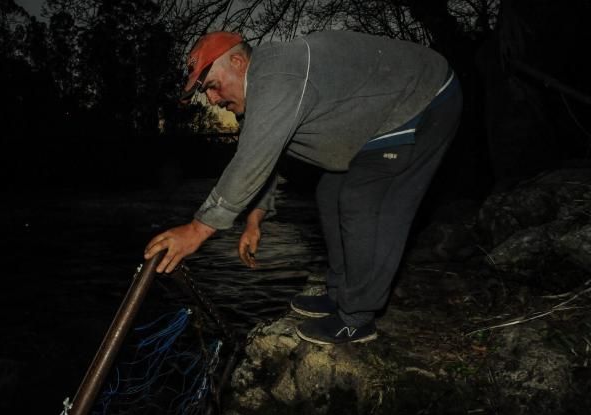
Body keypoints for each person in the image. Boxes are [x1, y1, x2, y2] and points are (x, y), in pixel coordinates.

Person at [144, 30, 462, 345]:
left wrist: (199, 229)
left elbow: (250, 160)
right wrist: (254, 221)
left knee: (361, 198)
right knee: (329, 192)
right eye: (205, 93)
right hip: (372, 124)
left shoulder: (276, 75)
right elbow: (268, 157)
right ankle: (339, 294)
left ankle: (357, 318)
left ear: (239, 62)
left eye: (212, 86)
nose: (212, 100)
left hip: (423, 98)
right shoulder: (262, 99)